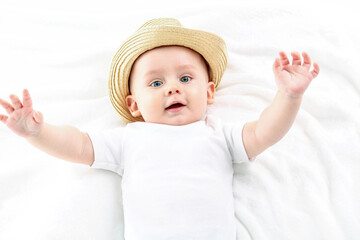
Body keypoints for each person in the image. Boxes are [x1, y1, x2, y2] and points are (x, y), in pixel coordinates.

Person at [0, 18, 319, 239]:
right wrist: (37, 133)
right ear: (134, 106)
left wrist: (288, 96)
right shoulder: (129, 139)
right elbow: (80, 146)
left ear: (209, 92)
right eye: (156, 82)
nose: (173, 89)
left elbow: (265, 131)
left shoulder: (218, 134)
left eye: (185, 78)